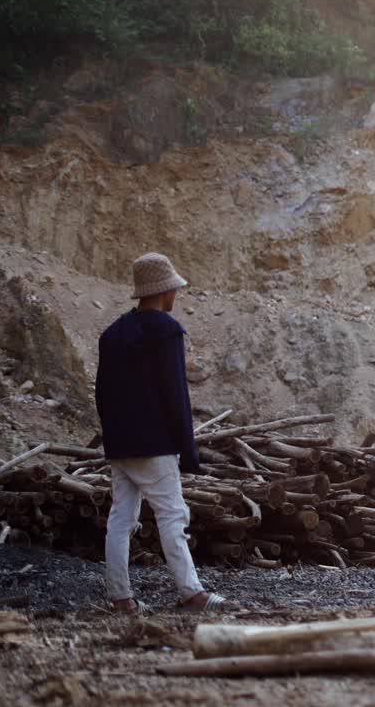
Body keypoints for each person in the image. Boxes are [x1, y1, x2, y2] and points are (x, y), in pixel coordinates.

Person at [95, 253, 237, 613]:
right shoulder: (166, 330)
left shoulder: (112, 334)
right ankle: (192, 593)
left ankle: (121, 598)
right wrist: (187, 450)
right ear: (165, 290)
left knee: (121, 519)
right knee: (173, 516)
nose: (176, 296)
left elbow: (102, 392)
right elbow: (176, 393)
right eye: (175, 289)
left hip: (120, 444)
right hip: (155, 444)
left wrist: (112, 438)